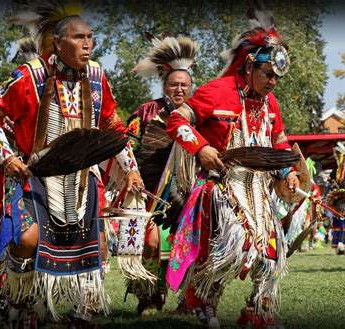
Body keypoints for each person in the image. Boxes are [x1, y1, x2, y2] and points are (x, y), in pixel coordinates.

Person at [0, 3, 142, 328]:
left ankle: (80, 313)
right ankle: (16, 298)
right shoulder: (30, 75)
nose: (87, 44)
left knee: (98, 246)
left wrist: (129, 167)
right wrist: (8, 157)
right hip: (35, 174)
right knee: (28, 240)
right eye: (78, 37)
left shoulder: (98, 77)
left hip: (83, 179)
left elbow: (113, 123)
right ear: (58, 43)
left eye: (90, 37)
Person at [165, 6, 300, 329]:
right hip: (222, 187)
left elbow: (279, 144)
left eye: (277, 77)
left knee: (270, 252)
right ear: (250, 65)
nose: (273, 82)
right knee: (234, 248)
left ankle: (257, 311)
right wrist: (202, 147)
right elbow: (176, 120)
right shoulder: (217, 91)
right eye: (268, 74)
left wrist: (288, 172)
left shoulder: (270, 104)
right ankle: (203, 303)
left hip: (258, 189)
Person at [125, 35, 198, 314]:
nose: (179, 89)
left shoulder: (196, 115)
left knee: (184, 245)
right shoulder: (147, 111)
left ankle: (182, 298)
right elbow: (126, 143)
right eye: (173, 84)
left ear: (191, 87)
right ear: (164, 85)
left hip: (187, 190)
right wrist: (131, 174)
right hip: (149, 189)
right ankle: (147, 295)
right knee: (151, 243)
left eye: (184, 85)